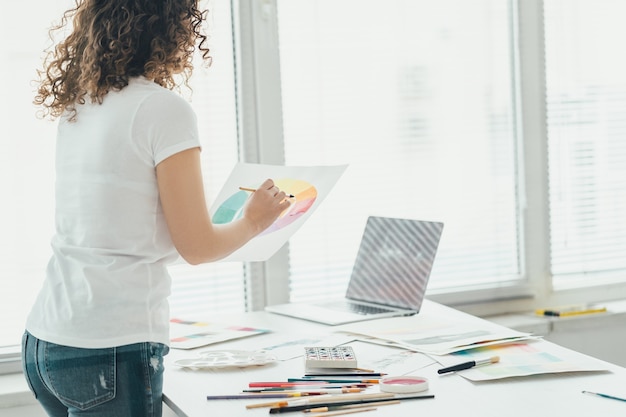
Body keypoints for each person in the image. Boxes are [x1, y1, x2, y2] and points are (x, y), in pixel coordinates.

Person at [21, 1, 291, 416]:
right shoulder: (163, 110)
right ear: (174, 27)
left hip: (46, 342)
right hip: (109, 348)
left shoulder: (82, 104)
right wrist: (254, 220)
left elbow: (118, 228)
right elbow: (197, 247)